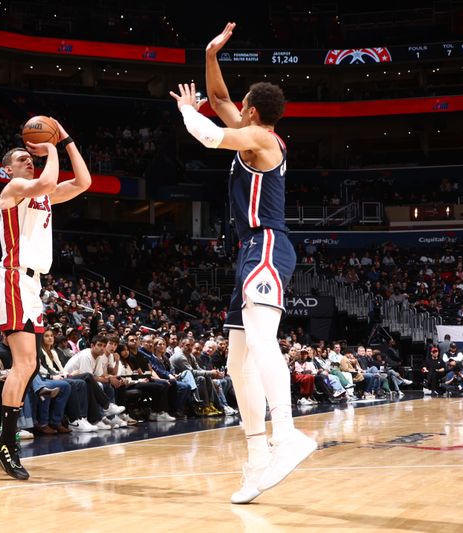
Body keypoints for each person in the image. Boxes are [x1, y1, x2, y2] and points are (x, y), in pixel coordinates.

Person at [171, 22, 316, 504]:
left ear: (252, 110)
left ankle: (289, 432)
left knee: (261, 340)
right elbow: (220, 97)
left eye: (240, 104)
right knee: (237, 361)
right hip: (250, 251)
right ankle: (256, 458)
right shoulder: (257, 132)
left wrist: (188, 113)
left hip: (267, 245)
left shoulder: (259, 140)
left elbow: (211, 135)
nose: (232, 106)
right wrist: (210, 55)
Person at [0, 118, 91, 480]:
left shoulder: (42, 195)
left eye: (28, 158)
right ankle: (6, 442)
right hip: (14, 277)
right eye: (20, 158)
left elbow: (84, 182)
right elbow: (46, 180)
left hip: (32, 285)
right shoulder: (15, 188)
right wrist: (49, 149)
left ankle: (3, 439)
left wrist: (66, 139)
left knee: (28, 366)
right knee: (24, 363)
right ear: (7, 169)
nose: (26, 161)